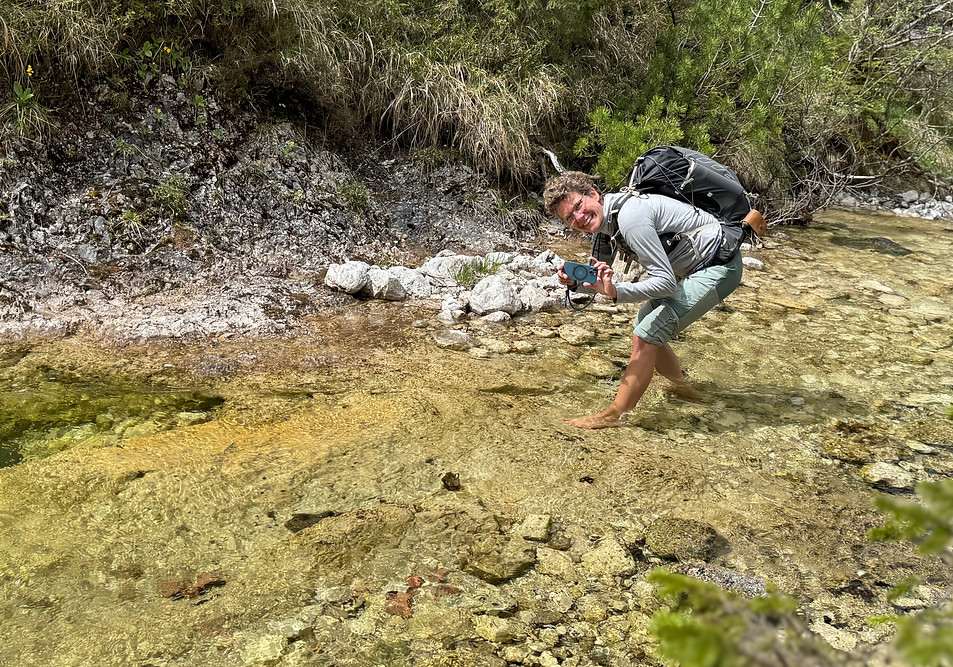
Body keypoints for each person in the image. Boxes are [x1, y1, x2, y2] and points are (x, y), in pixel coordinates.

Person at [542, 171, 745, 429]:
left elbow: (665, 283)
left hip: (719, 266)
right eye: (570, 217)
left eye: (578, 207)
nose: (578, 218)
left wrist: (615, 293)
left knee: (648, 334)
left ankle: (613, 414)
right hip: (696, 269)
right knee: (643, 322)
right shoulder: (607, 226)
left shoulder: (630, 218)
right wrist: (575, 283)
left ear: (593, 194)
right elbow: (598, 283)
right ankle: (682, 388)